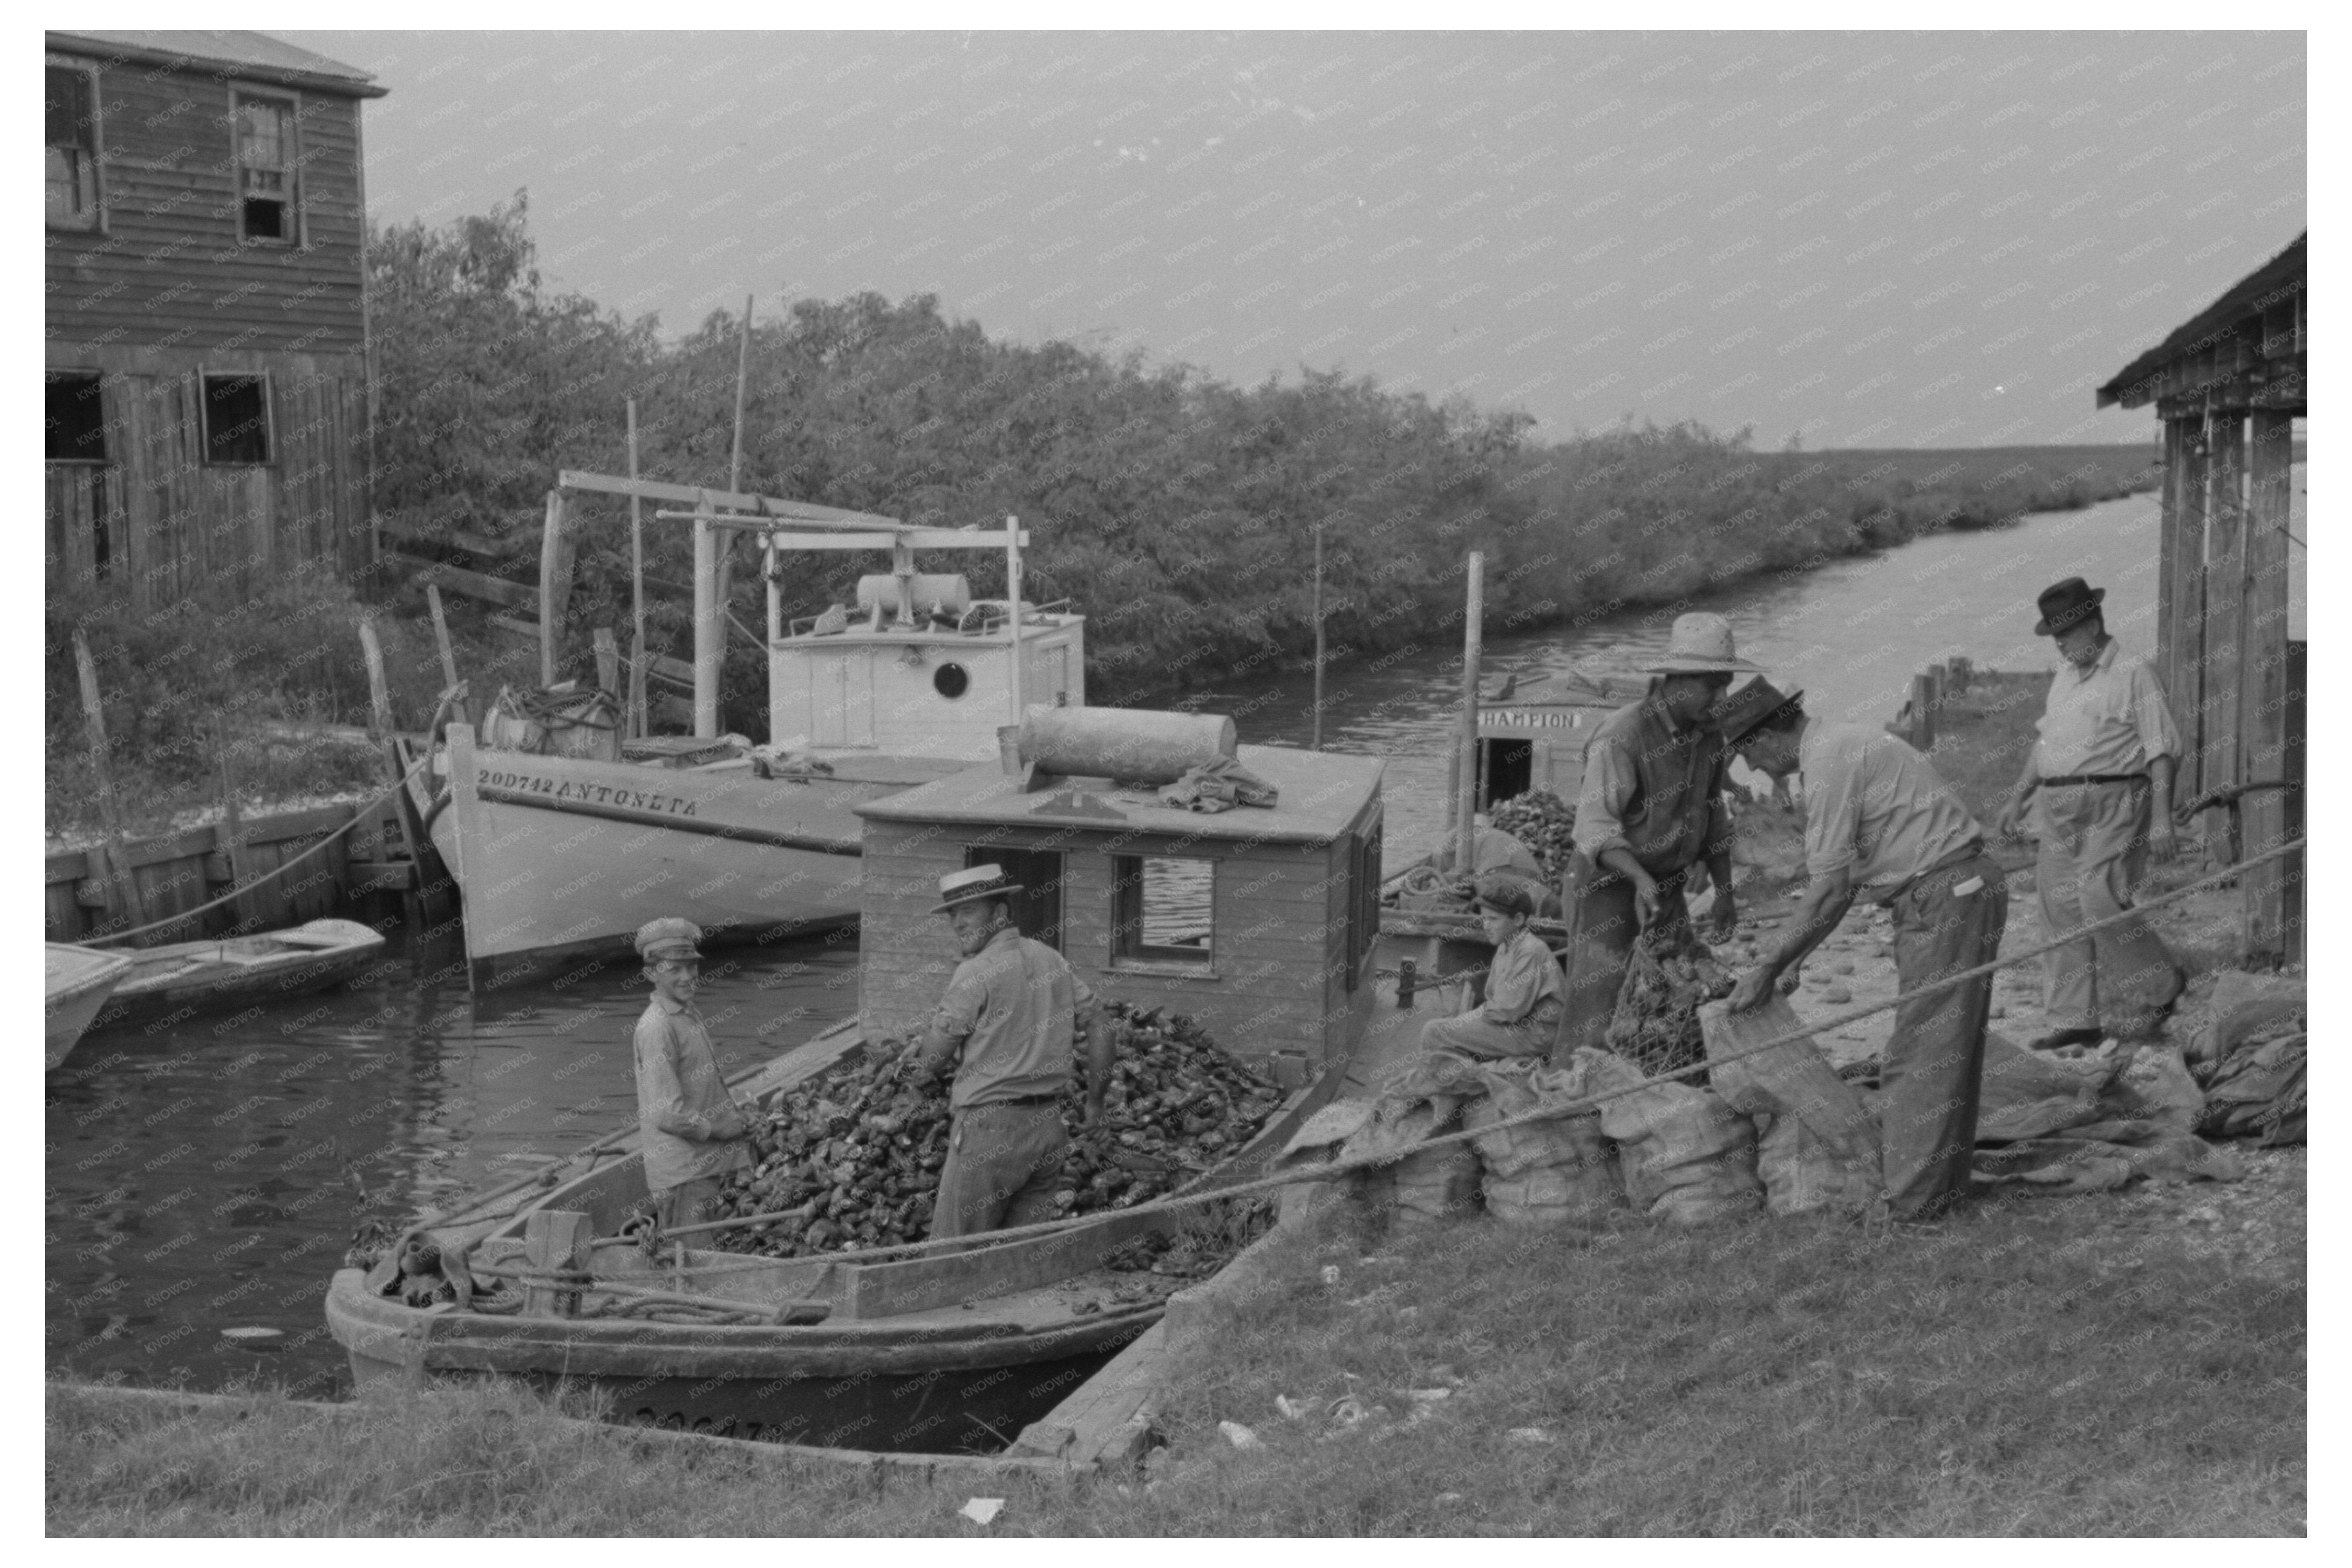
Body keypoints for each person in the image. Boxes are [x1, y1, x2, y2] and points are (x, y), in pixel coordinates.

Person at [1718, 680, 2008, 1223]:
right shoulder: (1840, 743)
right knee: (1947, 1046)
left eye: (1748, 752)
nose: (1753, 769)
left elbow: (1828, 885)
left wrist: (1763, 968)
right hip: (1957, 887)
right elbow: (1846, 882)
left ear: (1768, 735)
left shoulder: (1827, 764)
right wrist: (1796, 959)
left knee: (1918, 1053)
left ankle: (1908, 1206)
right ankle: (1939, 1192)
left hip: (1944, 892)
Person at [1994, 577, 2188, 1047]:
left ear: (2093, 624)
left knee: (2097, 898)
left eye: (2065, 633)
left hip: (2114, 799)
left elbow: (2160, 748)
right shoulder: (2063, 677)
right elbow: (2045, 743)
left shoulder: (2132, 673)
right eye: (2054, 635)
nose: (2059, 643)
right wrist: (2019, 794)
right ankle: (2074, 1020)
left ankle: (2163, 983)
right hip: (2057, 805)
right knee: (2058, 907)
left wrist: (2161, 819)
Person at [1555, 611, 1752, 1064]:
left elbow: (1712, 814)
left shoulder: (1708, 736)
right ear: (1677, 680)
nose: (1721, 697)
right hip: (1609, 885)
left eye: (1725, 684)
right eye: (1712, 685)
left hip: (1666, 886)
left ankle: (1650, 1092)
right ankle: (1570, 1103)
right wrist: (1641, 883)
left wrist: (1724, 892)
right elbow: (1593, 827)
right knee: (1597, 1007)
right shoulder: (1622, 735)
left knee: (1675, 992)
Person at [904, 864, 1113, 1241]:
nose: (957, 923)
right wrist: (1095, 1103)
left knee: (953, 1253)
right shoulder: (1051, 959)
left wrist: (920, 1060)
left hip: (988, 1130)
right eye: (952, 913)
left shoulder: (975, 971)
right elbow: (1101, 1024)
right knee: (1015, 1258)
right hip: (1048, 1128)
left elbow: (931, 1062)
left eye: (968, 911)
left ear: (1000, 914)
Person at [631, 917, 753, 1230]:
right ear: (650, 975)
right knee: (691, 1262)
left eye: (691, 967)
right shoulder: (658, 1027)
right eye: (674, 970)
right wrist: (720, 1129)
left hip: (708, 1165)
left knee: (706, 1252)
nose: (688, 977)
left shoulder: (687, 1012)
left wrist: (735, 1115)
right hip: (685, 1174)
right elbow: (666, 1115)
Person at [1414, 877, 1567, 1061]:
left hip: (1537, 1034)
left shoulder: (1530, 951)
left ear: (1518, 919)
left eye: (1493, 919)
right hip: (1520, 1025)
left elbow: (1507, 1011)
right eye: (1484, 919)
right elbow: (1495, 1000)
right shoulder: (1505, 947)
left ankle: (1450, 1083)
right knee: (1448, 1027)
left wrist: (1464, 1021)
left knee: (1434, 1032)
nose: (1487, 926)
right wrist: (1466, 1021)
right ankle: (1459, 1077)